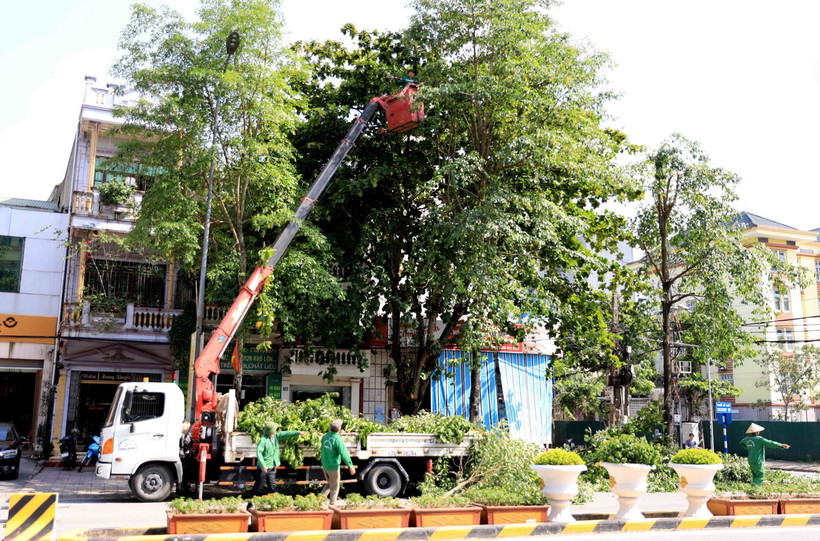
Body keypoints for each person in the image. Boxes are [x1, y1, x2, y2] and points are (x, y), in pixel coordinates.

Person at [253, 422, 304, 495]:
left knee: (273, 486)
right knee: (258, 486)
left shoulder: (275, 436)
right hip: (264, 467)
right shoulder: (263, 440)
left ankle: (276, 501)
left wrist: (298, 433)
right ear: (271, 431)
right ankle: (250, 504)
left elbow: (286, 434)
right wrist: (262, 465)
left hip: (272, 466)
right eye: (275, 429)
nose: (276, 430)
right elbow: (259, 453)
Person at [320, 419, 356, 505]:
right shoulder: (337, 439)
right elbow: (344, 453)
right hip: (333, 466)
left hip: (325, 465)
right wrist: (350, 466)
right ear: (339, 428)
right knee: (335, 487)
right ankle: (332, 505)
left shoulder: (325, 437)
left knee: (329, 484)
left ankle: (318, 501)